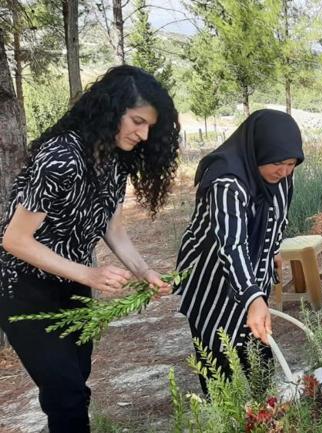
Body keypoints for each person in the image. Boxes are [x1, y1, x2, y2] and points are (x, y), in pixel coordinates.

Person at [0, 65, 180, 433]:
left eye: (149, 127)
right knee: (64, 392)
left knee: (76, 384)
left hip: (72, 284)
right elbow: (14, 240)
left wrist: (144, 271)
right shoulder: (60, 156)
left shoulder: (113, 159)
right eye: (137, 121)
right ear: (111, 108)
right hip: (23, 287)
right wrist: (90, 274)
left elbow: (113, 228)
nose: (143, 135)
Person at [174, 109, 303, 394]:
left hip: (252, 271)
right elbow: (230, 245)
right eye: (277, 163)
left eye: (291, 163)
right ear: (257, 151)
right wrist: (253, 297)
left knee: (258, 351)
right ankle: (224, 416)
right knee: (218, 360)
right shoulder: (227, 182)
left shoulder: (282, 177)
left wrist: (272, 248)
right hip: (210, 276)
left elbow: (277, 215)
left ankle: (265, 412)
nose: (283, 171)